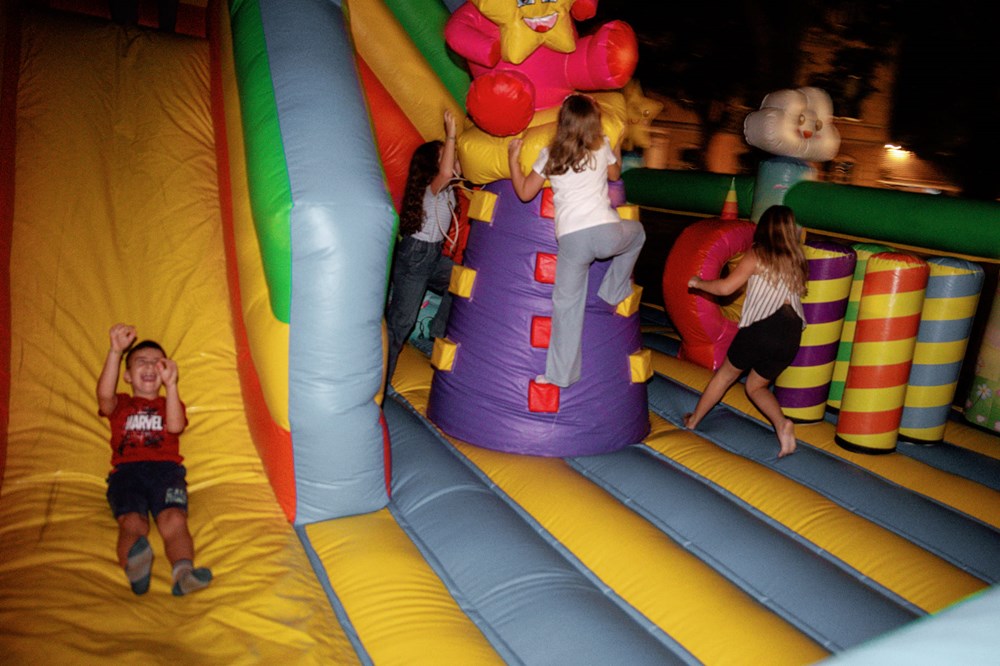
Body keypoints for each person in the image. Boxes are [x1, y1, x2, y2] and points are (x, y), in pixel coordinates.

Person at [508, 93, 646, 388]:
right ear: (594, 123)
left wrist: (513, 160)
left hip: (572, 240)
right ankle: (613, 291)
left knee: (566, 308)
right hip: (607, 233)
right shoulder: (601, 146)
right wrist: (616, 144)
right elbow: (615, 175)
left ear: (562, 122)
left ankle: (559, 376)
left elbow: (524, 193)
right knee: (638, 233)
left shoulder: (551, 154)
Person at [96, 323, 212, 596]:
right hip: (126, 474)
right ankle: (135, 567)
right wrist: (115, 351)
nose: (149, 366)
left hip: (166, 472)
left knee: (174, 519)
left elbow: (175, 426)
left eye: (157, 363)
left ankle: (183, 574)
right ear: (126, 375)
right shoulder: (120, 404)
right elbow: (103, 396)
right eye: (141, 362)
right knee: (132, 522)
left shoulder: (169, 404)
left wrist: (172, 386)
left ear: (165, 371)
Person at [684, 205, 808, 458]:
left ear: (764, 227)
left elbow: (726, 288)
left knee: (724, 376)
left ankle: (694, 420)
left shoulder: (758, 254)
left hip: (763, 327)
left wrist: (698, 283)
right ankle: (782, 424)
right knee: (756, 387)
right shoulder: (797, 262)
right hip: (792, 333)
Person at [385, 109, 463, 383]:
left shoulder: (450, 188)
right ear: (433, 166)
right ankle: (381, 380)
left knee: (460, 280)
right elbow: (446, 171)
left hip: (432, 255)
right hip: (415, 255)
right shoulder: (433, 187)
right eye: (444, 156)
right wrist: (450, 135)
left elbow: (455, 169)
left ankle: (436, 332)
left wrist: (457, 149)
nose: (450, 160)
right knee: (401, 323)